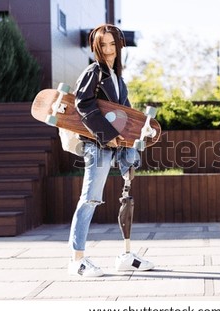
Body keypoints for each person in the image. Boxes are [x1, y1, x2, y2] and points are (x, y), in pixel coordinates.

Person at [67, 24, 154, 277]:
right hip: (97, 145)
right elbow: (83, 105)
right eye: (102, 45)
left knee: (128, 196)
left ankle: (126, 256)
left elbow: (126, 117)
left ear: (119, 45)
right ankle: (77, 259)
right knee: (90, 198)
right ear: (96, 47)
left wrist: (140, 136)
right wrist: (108, 136)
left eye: (112, 44)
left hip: (119, 146)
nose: (107, 50)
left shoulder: (119, 80)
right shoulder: (93, 71)